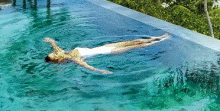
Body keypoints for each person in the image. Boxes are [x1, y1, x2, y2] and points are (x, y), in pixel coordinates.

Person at [43, 34, 171, 74]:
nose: (54, 53)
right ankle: (163, 40)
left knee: (134, 41)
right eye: (54, 55)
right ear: (58, 59)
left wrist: (50, 41)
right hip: (109, 51)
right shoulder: (74, 58)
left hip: (105, 46)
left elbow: (55, 46)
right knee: (138, 46)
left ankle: (159, 37)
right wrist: (101, 71)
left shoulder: (62, 52)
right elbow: (87, 67)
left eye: (52, 53)